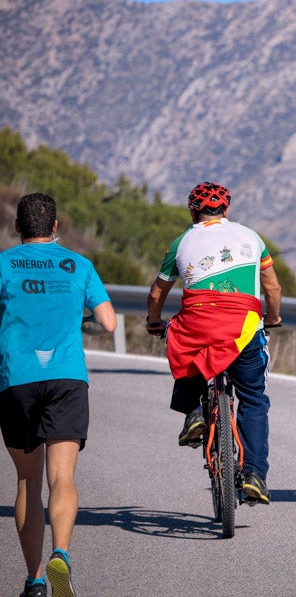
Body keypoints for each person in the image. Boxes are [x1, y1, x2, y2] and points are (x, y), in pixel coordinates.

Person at [1, 193, 117, 597]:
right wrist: (78, 323)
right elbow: (107, 322)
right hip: (67, 378)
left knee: (28, 482)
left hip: (16, 379)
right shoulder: (79, 265)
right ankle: (61, 555)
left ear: (18, 227)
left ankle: (34, 581)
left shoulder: (2, 264)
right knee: (62, 476)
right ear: (54, 227)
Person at [145, 182, 282, 505]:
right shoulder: (252, 237)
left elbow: (156, 294)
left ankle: (193, 412)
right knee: (254, 399)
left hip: (200, 322)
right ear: (227, 210)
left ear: (193, 212)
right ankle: (254, 475)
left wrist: (153, 323)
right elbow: (272, 288)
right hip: (244, 327)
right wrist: (273, 318)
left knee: (182, 340)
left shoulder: (181, 243)